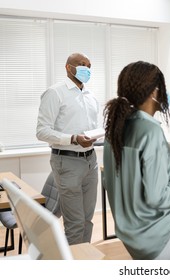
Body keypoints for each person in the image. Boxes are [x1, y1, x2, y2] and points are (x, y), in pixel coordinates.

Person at [103, 61, 170, 260]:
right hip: (156, 237)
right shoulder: (150, 132)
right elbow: (157, 197)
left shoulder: (114, 129)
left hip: (130, 237)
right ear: (154, 92)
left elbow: (111, 182)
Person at [36, 53, 99, 245]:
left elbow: (93, 128)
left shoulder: (90, 96)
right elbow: (42, 131)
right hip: (67, 161)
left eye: (89, 65)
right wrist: (73, 138)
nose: (86, 69)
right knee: (75, 224)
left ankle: (84, 262)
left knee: (87, 220)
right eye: (81, 64)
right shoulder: (55, 93)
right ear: (68, 67)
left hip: (91, 161)